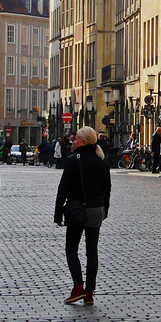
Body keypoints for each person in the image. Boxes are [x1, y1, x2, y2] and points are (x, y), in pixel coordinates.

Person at [54, 126, 111, 307]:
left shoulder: (72, 161)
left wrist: (57, 213)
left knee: (71, 249)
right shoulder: (101, 161)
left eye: (76, 139)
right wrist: (105, 210)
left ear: (84, 142)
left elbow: (63, 189)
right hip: (96, 210)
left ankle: (78, 286)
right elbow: (106, 189)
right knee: (92, 253)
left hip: (76, 210)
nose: (73, 141)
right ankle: (89, 293)